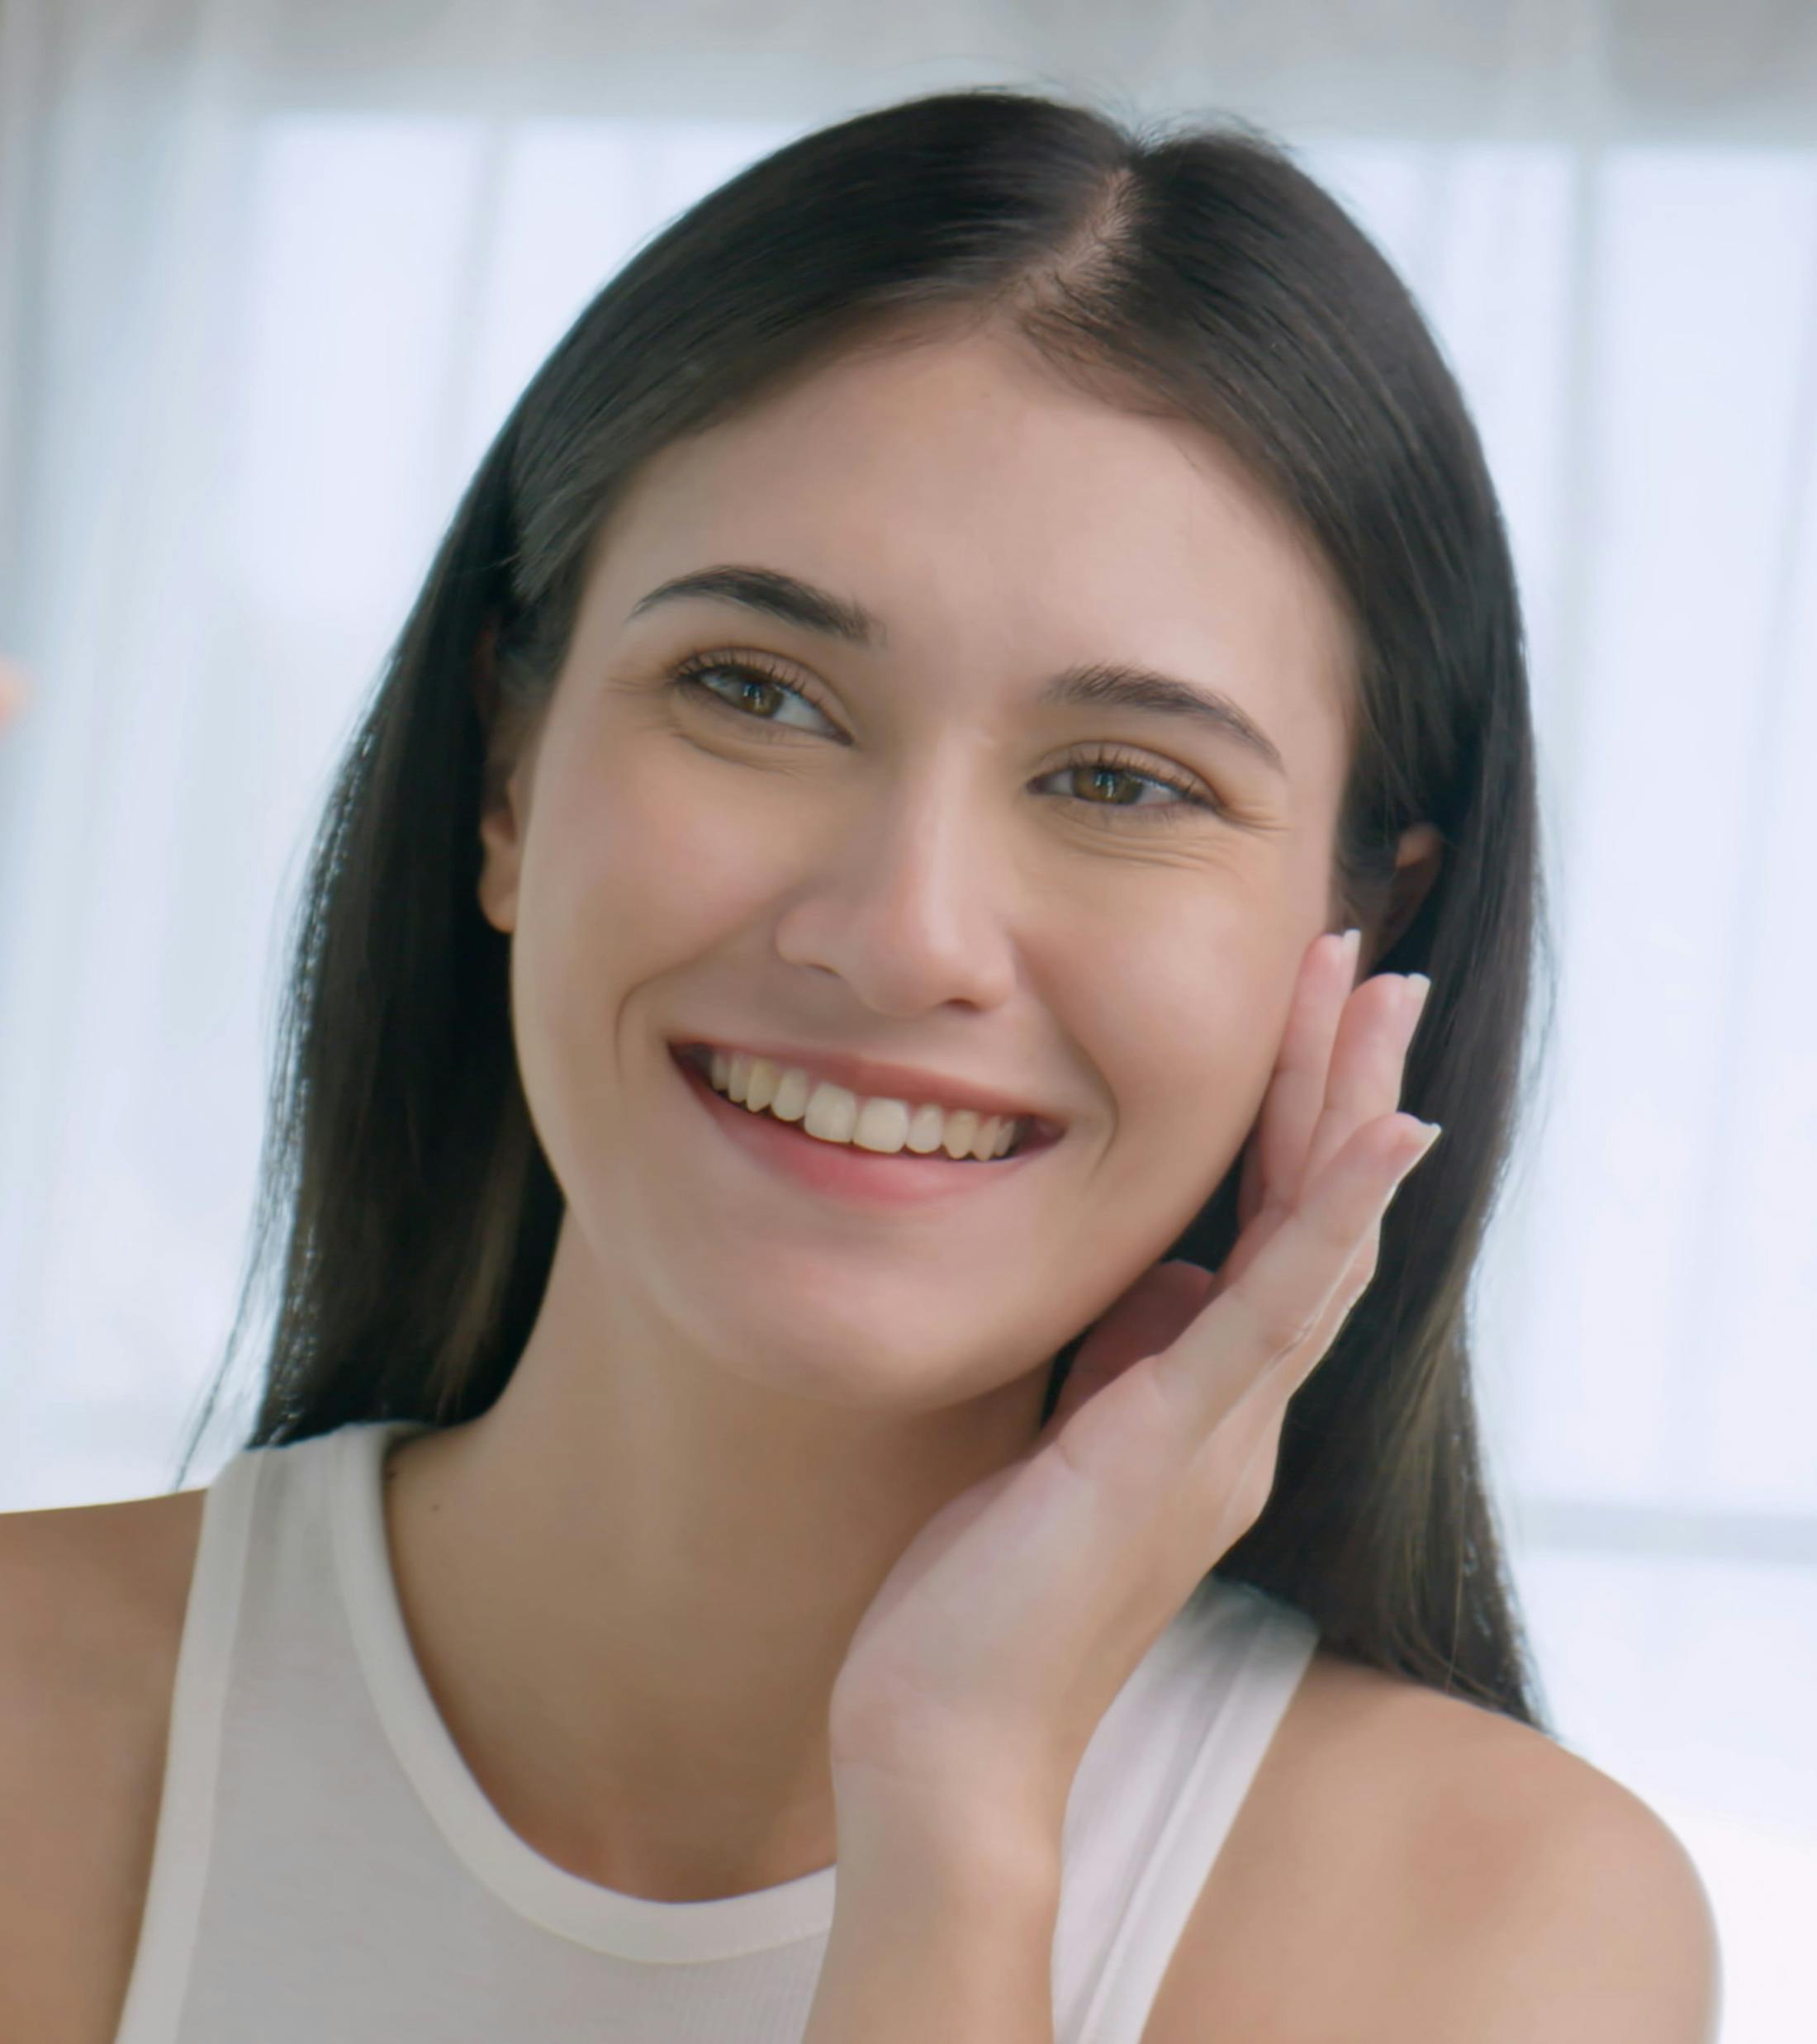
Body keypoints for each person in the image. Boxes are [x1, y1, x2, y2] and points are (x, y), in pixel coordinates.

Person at [0, 87, 1718, 2044]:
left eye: (1120, 781)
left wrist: (960, 1807)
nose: (901, 930)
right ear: (505, 772)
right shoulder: (30, 1728)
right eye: (754, 690)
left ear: (1361, 942)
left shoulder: (1490, 1930)